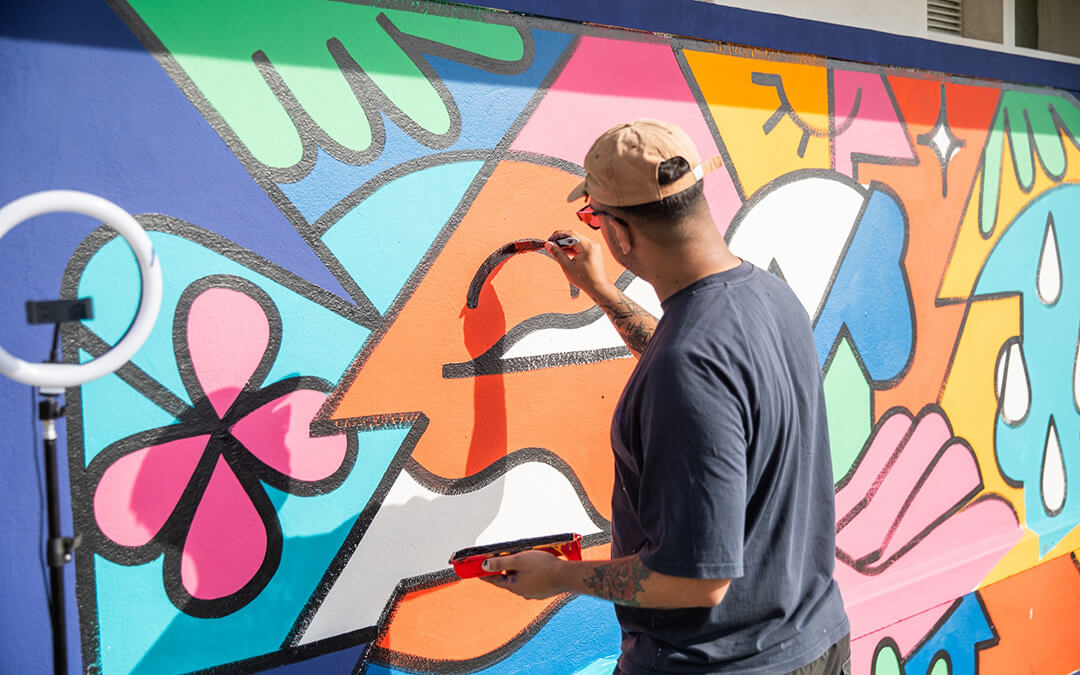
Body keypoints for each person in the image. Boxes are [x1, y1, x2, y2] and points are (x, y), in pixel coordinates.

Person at [480, 119, 850, 674]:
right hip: (814, 643)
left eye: (594, 217)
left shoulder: (688, 365)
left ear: (621, 234)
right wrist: (605, 293)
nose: (596, 230)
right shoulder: (767, 296)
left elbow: (694, 579)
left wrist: (558, 576)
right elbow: (706, 375)